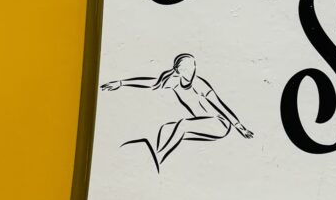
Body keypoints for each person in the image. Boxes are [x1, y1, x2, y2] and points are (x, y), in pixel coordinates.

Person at [101, 51, 253, 170]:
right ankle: (156, 160)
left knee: (183, 125)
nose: (192, 71)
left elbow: (221, 106)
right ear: (179, 71)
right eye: (187, 69)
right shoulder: (173, 82)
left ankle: (157, 160)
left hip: (219, 124)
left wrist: (240, 127)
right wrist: (121, 83)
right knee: (166, 129)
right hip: (202, 123)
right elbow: (151, 83)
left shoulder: (200, 85)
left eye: (193, 67)